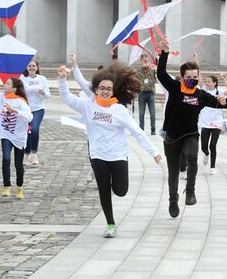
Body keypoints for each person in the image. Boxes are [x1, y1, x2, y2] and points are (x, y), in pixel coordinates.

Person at [58, 62, 161, 238]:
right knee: (103, 190)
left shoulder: (119, 110)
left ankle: (116, 187)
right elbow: (67, 98)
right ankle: (110, 224)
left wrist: (154, 152)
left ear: (113, 91)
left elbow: (137, 132)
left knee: (121, 191)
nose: (105, 91)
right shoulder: (87, 105)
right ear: (96, 89)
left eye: (108, 89)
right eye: (101, 88)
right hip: (98, 155)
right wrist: (62, 79)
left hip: (118, 155)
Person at [157, 43, 227, 218]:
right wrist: (165, 53)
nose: (192, 78)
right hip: (172, 137)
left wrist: (226, 101)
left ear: (198, 77)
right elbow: (160, 74)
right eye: (188, 76)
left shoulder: (200, 94)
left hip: (191, 134)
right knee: (173, 172)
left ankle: (190, 191)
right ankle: (173, 199)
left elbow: (219, 103)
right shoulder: (174, 88)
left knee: (191, 156)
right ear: (182, 77)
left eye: (195, 76)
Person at [0, 62, 33, 199]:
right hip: (5, 134)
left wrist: (15, 110)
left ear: (14, 88)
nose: (5, 85)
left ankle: (19, 187)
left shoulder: (21, 102)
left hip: (19, 137)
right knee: (6, 158)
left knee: (18, 164)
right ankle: (7, 186)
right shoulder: (1, 98)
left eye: (8, 84)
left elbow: (29, 116)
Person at [69, 54, 102, 183]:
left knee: (104, 157)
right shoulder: (92, 93)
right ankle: (94, 170)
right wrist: (74, 63)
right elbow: (80, 79)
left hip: (106, 133)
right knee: (92, 155)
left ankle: (102, 175)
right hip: (92, 131)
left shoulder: (112, 93)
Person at [20, 59, 50, 165]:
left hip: (38, 109)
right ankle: (26, 153)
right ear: (26, 68)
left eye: (33, 66)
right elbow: (21, 91)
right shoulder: (22, 78)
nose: (32, 67)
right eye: (29, 66)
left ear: (37, 68)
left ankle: (34, 154)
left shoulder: (42, 79)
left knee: (34, 130)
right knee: (26, 132)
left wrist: (43, 92)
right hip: (26, 110)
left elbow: (48, 95)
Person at [199, 74, 227, 174]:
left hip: (217, 122)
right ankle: (206, 153)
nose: (207, 83)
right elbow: (199, 77)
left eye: (209, 81)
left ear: (214, 83)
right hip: (205, 121)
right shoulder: (204, 90)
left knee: (213, 145)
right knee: (204, 146)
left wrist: (224, 79)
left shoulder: (219, 91)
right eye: (206, 81)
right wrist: (196, 60)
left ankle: (212, 167)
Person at [136, 53, 157, 135]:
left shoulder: (152, 70)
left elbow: (158, 76)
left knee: (153, 113)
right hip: (142, 94)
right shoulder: (138, 71)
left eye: (147, 60)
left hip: (151, 93)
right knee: (141, 113)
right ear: (141, 61)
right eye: (144, 60)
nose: (146, 61)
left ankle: (153, 129)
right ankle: (141, 129)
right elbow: (135, 81)